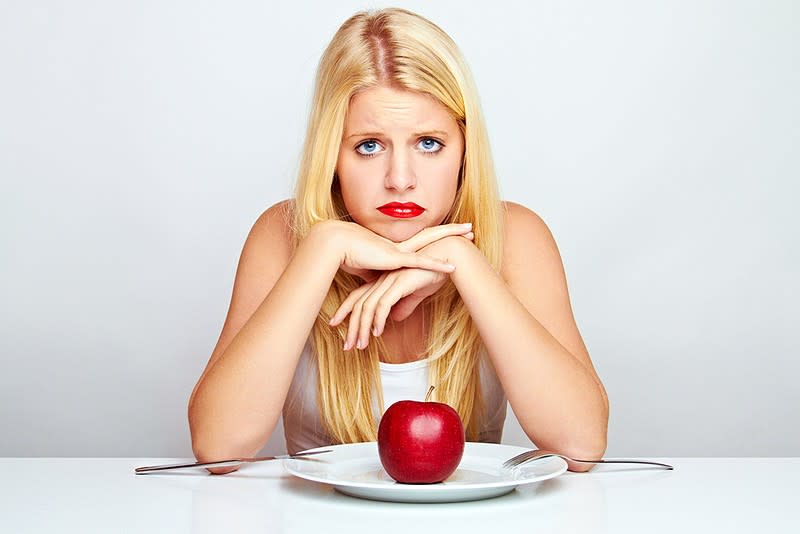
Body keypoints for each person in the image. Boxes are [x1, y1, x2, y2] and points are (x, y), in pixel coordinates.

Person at [188, 7, 609, 474]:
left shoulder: (517, 237)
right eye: (369, 145)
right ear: (332, 154)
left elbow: (581, 446)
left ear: (464, 149)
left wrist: (460, 262)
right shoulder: (282, 236)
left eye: (429, 143)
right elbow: (219, 449)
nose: (400, 180)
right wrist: (323, 247)